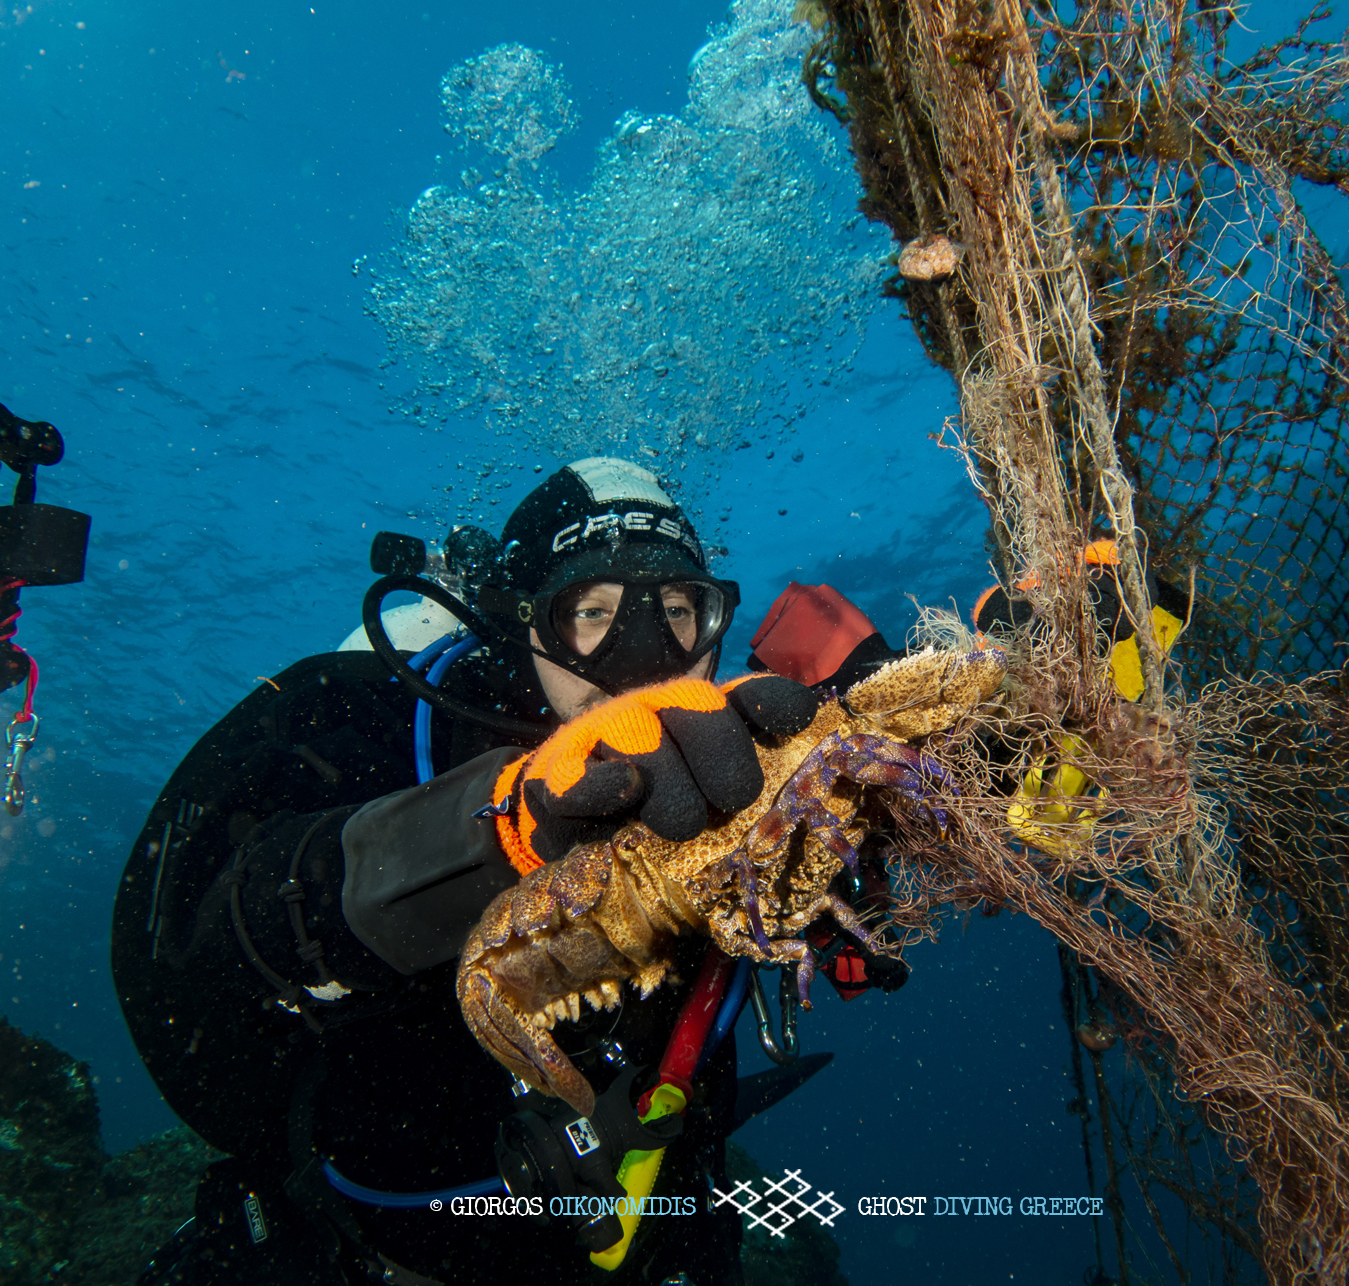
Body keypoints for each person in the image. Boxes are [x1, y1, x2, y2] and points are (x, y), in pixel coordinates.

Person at [110, 458, 906, 1286]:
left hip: (660, 1246)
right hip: (376, 1260)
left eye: (678, 608)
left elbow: (852, 861)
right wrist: (507, 826)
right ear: (517, 622)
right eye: (590, 611)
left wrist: (957, 756)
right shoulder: (359, 723)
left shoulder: (743, 745)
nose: (646, 655)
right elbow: (193, 958)